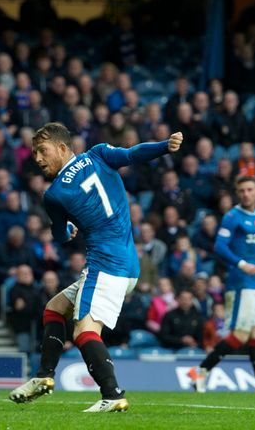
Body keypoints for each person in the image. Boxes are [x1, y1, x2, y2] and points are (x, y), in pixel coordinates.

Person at [9, 122, 182, 412]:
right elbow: (133, 154)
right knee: (54, 308)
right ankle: (44, 376)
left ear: (63, 148)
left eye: (42, 151)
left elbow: (61, 235)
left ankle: (112, 395)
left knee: (84, 331)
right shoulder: (100, 153)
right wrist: (165, 145)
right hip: (129, 264)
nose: (37, 159)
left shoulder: (53, 195)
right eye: (34, 153)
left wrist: (67, 229)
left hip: (105, 264)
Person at [190, 176, 255, 393]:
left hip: (254, 282)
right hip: (240, 282)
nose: (246, 194)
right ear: (237, 193)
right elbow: (220, 247)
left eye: (250, 189)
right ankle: (201, 371)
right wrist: (242, 265)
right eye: (241, 190)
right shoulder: (232, 217)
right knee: (240, 335)